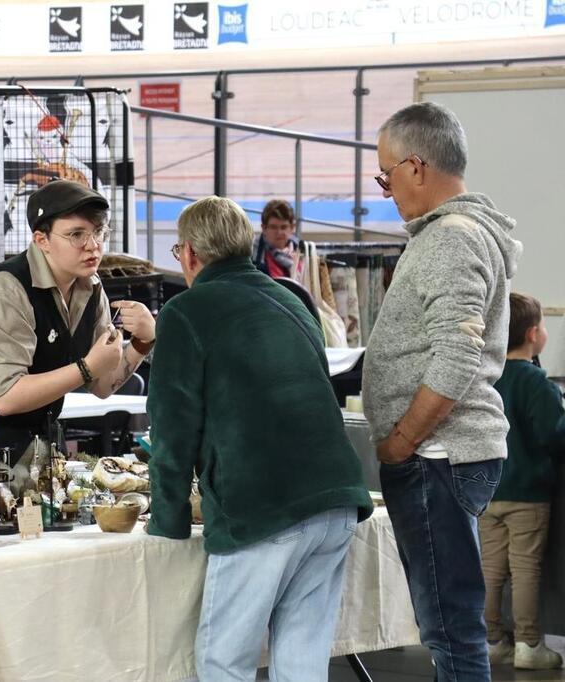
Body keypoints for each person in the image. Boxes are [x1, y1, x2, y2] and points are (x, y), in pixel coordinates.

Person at [146, 195, 372, 682]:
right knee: (301, 660)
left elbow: (171, 427)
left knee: (224, 660)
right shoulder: (290, 298)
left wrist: (169, 520)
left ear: (189, 253)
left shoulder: (186, 311)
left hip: (263, 504)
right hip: (335, 498)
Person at [362, 102, 522, 681]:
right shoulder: (462, 232)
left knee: (449, 627)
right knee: (449, 623)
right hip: (445, 453)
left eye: (386, 174)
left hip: (436, 454)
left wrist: (402, 440)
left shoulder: (450, 239)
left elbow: (457, 356)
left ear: (417, 165)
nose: (385, 189)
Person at [0, 180, 155, 468]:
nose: (93, 246)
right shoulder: (6, 289)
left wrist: (142, 342)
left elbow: (101, 385)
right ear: (42, 240)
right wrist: (86, 366)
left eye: (99, 232)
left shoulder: (90, 286)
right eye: (76, 234)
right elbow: (6, 397)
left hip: (37, 450)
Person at [482, 292, 565, 670]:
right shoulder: (536, 382)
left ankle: (491, 639)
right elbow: (553, 433)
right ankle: (530, 644)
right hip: (528, 496)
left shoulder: (487, 375)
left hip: (487, 490)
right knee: (526, 569)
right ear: (534, 334)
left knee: (489, 569)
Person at [251, 198, 302, 279]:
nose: (279, 232)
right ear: (263, 228)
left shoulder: (304, 253)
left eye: (283, 227)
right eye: (273, 227)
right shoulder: (251, 256)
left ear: (292, 227)